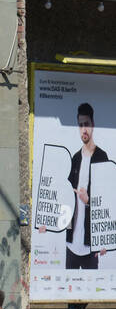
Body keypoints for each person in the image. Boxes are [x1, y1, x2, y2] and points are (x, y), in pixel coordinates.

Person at [65, 103, 109, 270]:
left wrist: (104, 240)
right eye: (81, 125)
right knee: (68, 293)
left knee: (92, 293)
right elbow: (65, 197)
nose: (84, 129)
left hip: (90, 245)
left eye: (87, 124)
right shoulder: (75, 158)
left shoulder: (101, 157)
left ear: (93, 124)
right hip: (71, 244)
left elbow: (107, 201)